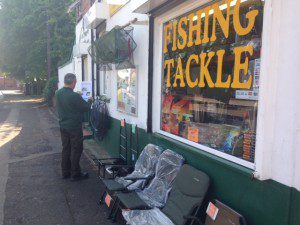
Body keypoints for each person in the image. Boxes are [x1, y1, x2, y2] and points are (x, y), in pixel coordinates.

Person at [55, 73, 91, 181]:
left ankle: (65, 172)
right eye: (75, 82)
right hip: (74, 127)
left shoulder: (58, 93)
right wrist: (90, 100)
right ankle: (75, 174)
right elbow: (85, 108)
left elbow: (68, 101)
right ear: (73, 82)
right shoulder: (74, 96)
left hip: (63, 126)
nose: (75, 84)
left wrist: (77, 95)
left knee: (66, 149)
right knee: (76, 149)